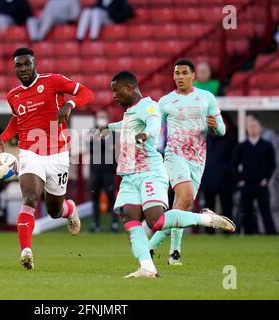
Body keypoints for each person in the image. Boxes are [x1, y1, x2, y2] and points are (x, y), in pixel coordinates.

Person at [98, 71, 234, 278]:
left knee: (156, 221)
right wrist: (109, 128)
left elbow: (154, 123)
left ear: (129, 88)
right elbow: (127, 126)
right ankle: (147, 268)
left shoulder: (149, 105)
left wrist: (147, 134)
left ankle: (206, 219)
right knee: (130, 218)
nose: (114, 96)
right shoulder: (131, 110)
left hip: (150, 172)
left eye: (116, 91)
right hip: (129, 174)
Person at [0, 47, 94, 270]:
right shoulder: (13, 95)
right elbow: (17, 120)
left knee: (54, 210)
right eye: (18, 65)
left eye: (26, 64)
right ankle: (26, 251)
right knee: (29, 197)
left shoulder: (54, 81)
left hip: (58, 155)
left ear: (35, 64)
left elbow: (87, 92)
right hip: (30, 152)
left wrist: (70, 104)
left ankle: (70, 210)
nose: (23, 69)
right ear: (14, 69)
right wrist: (3, 137)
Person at [148, 59, 227, 265]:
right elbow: (153, 124)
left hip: (198, 158)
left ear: (193, 75)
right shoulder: (165, 101)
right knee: (186, 196)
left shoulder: (206, 98)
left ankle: (173, 252)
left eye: (184, 73)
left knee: (183, 204)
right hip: (174, 155)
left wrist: (215, 126)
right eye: (177, 73)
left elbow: (222, 129)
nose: (180, 77)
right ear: (173, 76)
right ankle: (149, 247)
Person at [233, 115, 276, 234]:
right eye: (250, 126)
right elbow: (234, 164)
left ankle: (270, 233)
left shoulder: (266, 145)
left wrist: (266, 179)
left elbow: (272, 165)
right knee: (246, 211)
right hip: (246, 183)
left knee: (265, 211)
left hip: (261, 184)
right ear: (246, 129)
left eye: (255, 126)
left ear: (260, 128)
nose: (253, 129)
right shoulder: (242, 146)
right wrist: (239, 179)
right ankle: (248, 233)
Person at [200, 112, 237, 233]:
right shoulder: (205, 140)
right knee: (208, 207)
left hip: (225, 180)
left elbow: (234, 161)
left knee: (227, 207)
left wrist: (230, 174)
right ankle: (209, 232)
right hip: (208, 179)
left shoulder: (230, 140)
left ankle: (228, 231)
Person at [89, 110, 118, 233]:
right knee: (95, 197)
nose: (101, 119)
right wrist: (106, 145)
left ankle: (115, 224)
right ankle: (96, 224)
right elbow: (91, 148)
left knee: (111, 198)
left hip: (109, 171)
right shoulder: (93, 132)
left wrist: (102, 144)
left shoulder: (113, 133)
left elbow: (114, 148)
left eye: (103, 117)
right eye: (99, 117)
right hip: (96, 171)